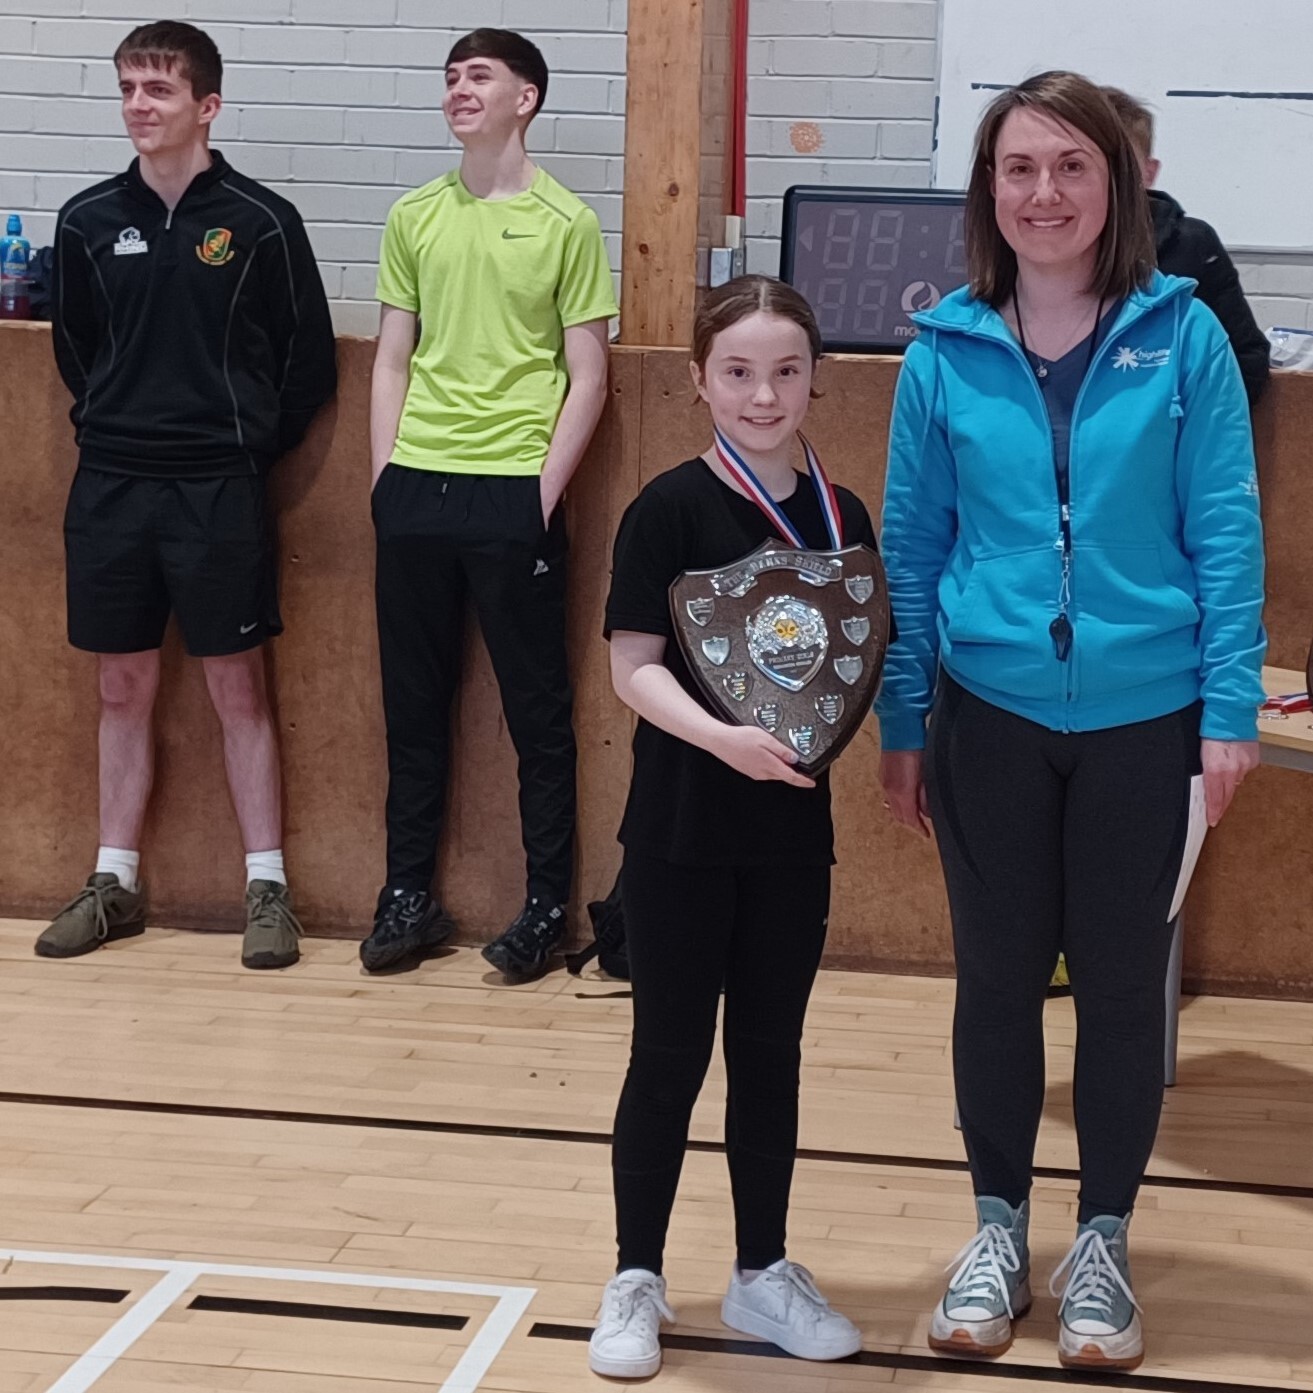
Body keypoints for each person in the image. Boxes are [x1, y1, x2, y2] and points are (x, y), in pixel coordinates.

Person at [875, 71, 1266, 1370]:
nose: (1043, 194)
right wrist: (904, 715)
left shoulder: (1185, 336)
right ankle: (995, 1228)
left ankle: (1100, 1240)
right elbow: (913, 547)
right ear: (990, 193)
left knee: (1115, 990)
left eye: (1069, 169)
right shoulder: (943, 349)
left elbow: (1223, 532)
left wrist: (1226, 706)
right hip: (987, 716)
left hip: (1143, 720)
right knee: (993, 983)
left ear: (1117, 185)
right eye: (1017, 170)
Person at [587, 276, 871, 1379]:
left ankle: (762, 1274)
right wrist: (723, 740)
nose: (764, 394)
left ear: (813, 378)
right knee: (667, 1053)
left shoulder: (843, 514)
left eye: (786, 371)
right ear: (700, 380)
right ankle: (635, 1277)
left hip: (794, 836)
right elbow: (631, 669)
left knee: (771, 1055)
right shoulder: (666, 507)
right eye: (740, 373)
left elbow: (847, 661)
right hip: (682, 827)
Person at [41, 20, 335, 970]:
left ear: (206, 105)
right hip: (114, 486)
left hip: (220, 488)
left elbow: (308, 362)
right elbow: (76, 354)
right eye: (128, 88)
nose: (138, 106)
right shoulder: (86, 220)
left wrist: (245, 443)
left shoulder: (260, 222)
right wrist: (123, 424)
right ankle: (114, 880)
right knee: (120, 685)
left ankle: (268, 887)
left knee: (236, 687)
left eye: (158, 90)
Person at [366, 28, 615, 979]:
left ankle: (547, 905)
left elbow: (587, 374)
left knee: (539, 715)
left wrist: (538, 495)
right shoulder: (414, 214)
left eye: (479, 76)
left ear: (528, 98)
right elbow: (392, 355)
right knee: (413, 709)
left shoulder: (568, 222)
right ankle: (406, 897)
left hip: (514, 489)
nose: (458, 90)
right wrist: (385, 480)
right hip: (416, 490)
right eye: (451, 77)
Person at [1103, 85, 1270, 407]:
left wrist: (1187, 427)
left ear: (1149, 172)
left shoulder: (1193, 245)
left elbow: (1244, 358)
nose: (1108, 179)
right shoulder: (1041, 245)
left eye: (1122, 164)